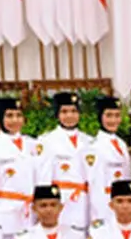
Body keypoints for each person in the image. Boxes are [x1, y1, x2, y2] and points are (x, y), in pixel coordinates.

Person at [0, 97, 38, 239]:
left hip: (30, 212)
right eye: (9, 116)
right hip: (5, 214)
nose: (14, 120)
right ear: (0, 118)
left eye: (18, 115)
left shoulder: (33, 145)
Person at [36, 92, 93, 230]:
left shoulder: (90, 141)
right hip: (62, 200)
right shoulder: (47, 141)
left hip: (85, 201)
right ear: (57, 114)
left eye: (74, 111)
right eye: (64, 111)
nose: (69, 116)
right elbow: (43, 178)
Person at [87, 96, 131, 227]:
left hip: (123, 207)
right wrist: (98, 217)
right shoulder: (94, 147)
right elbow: (95, 185)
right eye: (108, 115)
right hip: (106, 207)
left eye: (117, 115)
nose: (113, 120)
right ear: (100, 117)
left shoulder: (121, 144)